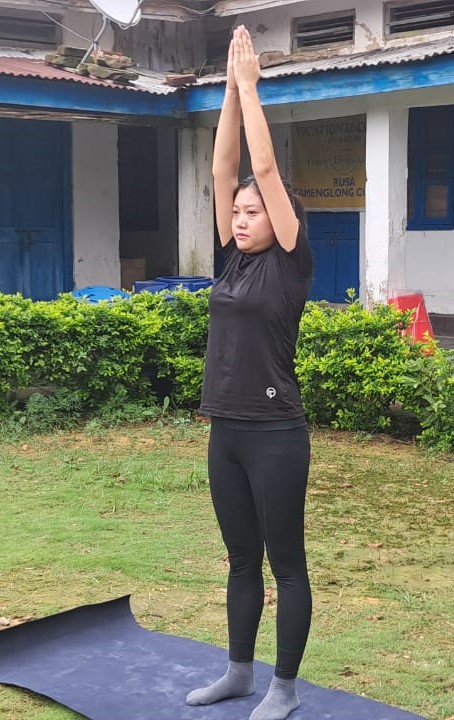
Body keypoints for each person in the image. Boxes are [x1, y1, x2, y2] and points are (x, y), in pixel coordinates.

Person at [186, 25, 313, 720]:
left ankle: (283, 687)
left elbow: (261, 167)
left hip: (276, 434)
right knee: (241, 559)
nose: (239, 218)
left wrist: (253, 87)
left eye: (252, 210)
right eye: (234, 212)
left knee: (285, 564)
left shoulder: (290, 260)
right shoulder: (233, 259)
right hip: (227, 430)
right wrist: (230, 93)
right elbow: (224, 169)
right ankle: (238, 672)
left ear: (279, 216)